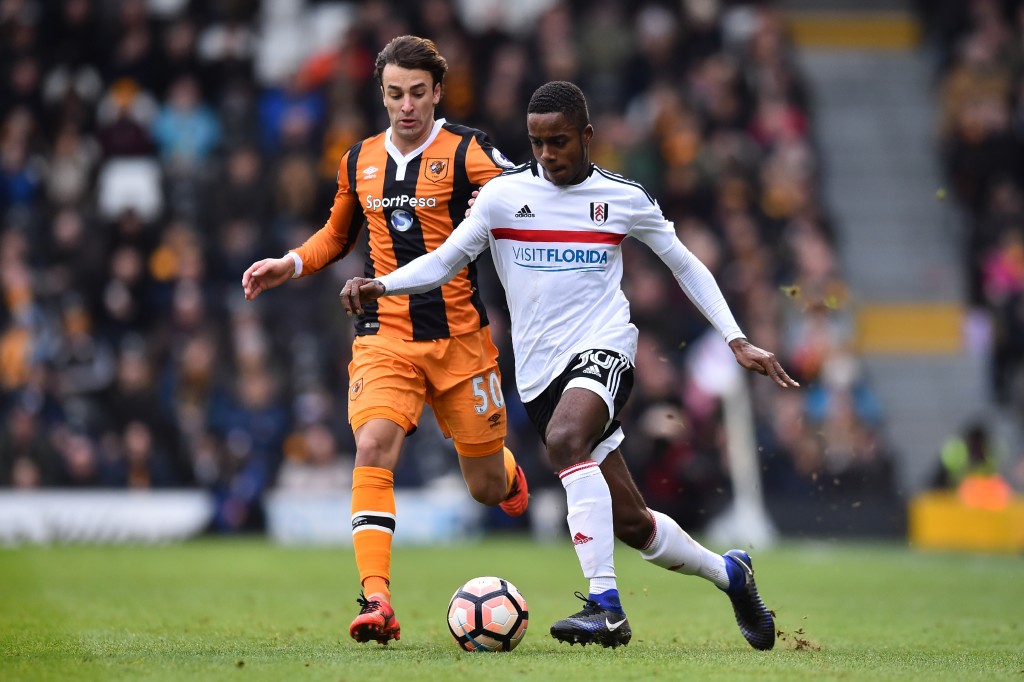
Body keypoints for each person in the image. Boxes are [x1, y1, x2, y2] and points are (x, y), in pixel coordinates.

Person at [340, 81, 800, 650]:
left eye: (559, 141)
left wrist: (736, 339)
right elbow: (443, 262)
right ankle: (731, 574)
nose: (548, 154)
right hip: (539, 376)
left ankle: (605, 607)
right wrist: (381, 284)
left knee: (564, 441)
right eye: (537, 143)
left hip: (603, 349)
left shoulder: (622, 197)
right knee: (634, 524)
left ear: (586, 136)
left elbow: (686, 265)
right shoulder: (503, 197)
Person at [241, 35, 529, 646]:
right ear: (382, 93)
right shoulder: (358, 160)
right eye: (395, 94)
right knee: (373, 446)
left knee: (483, 487)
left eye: (418, 94)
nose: (406, 106)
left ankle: (506, 474)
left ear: (437, 92)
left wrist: (513, 214)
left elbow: (524, 193)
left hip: (460, 341)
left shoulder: (468, 150)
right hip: (384, 337)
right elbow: (334, 235)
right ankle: (378, 600)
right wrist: (288, 264)